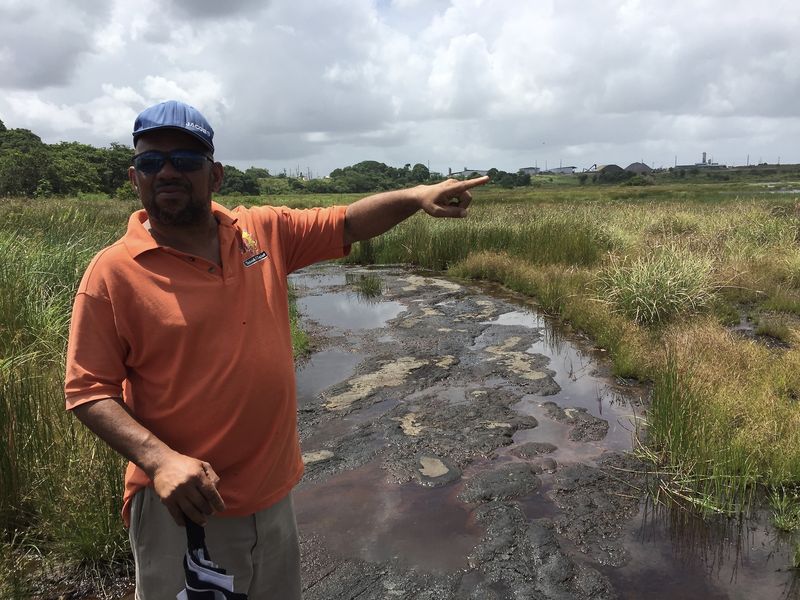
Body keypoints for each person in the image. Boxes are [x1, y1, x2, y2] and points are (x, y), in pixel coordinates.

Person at [64, 99, 488, 599]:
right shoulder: (113, 272)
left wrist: (417, 196)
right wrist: (159, 461)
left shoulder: (258, 232)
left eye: (186, 161)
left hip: (273, 496)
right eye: (152, 162)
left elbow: (347, 223)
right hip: (185, 504)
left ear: (215, 175)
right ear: (135, 179)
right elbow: (87, 390)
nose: (168, 172)